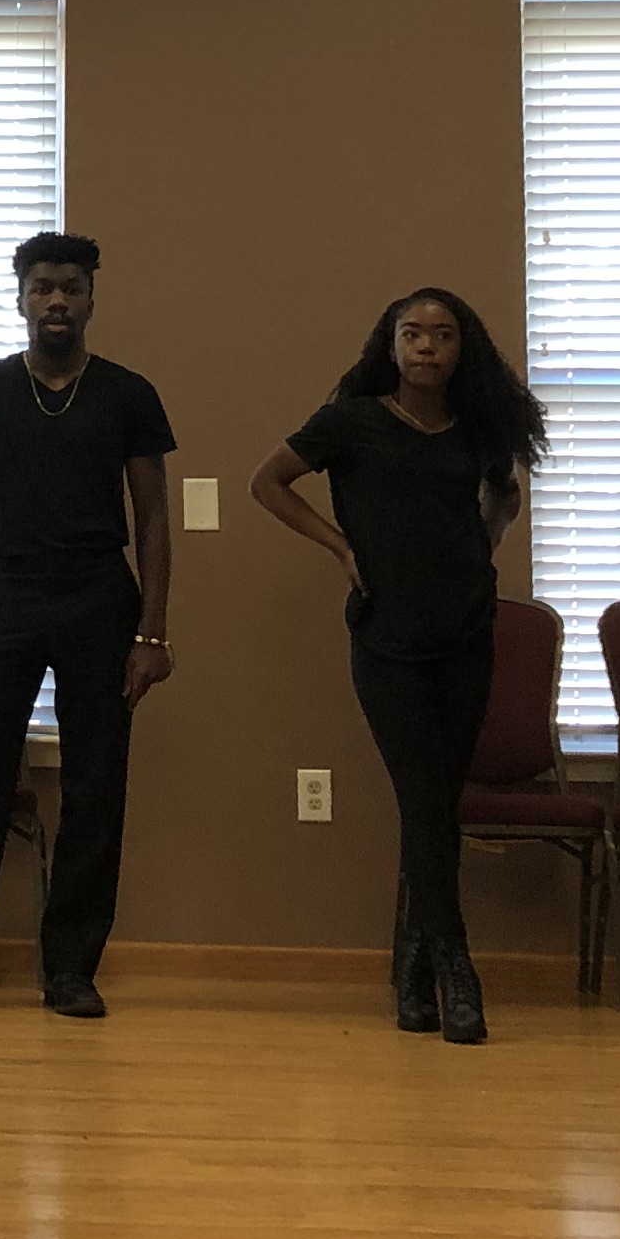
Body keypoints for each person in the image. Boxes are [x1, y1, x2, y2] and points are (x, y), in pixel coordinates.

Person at [0, 232, 175, 1020]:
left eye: (71, 288)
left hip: (98, 598)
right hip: (5, 593)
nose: (57, 301)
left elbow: (153, 518)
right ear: (20, 298)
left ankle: (71, 970)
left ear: (90, 298)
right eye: (43, 287)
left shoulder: (128, 393)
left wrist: (152, 632)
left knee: (95, 788)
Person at [250, 287, 545, 1048]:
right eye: (412, 333)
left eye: (442, 335)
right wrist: (342, 547)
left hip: (468, 632)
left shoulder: (477, 429)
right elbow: (267, 483)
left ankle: (411, 970)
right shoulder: (352, 422)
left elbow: (504, 497)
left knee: (438, 803)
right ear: (390, 344)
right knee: (421, 800)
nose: (426, 347)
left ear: (460, 349)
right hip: (388, 637)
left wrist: (484, 541)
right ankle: (457, 971)